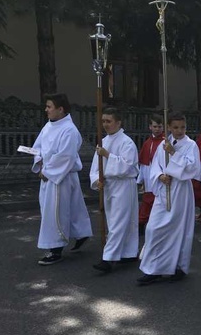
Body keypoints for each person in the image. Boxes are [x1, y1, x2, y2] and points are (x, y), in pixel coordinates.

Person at [137, 112, 201, 285]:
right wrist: (159, 176)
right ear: (169, 128)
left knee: (178, 229)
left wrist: (174, 154)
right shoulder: (163, 145)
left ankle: (177, 266)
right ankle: (153, 268)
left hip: (180, 191)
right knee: (153, 228)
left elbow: (193, 169)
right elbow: (155, 165)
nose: (179, 131)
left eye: (182, 127)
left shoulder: (191, 145)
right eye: (175, 127)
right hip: (164, 190)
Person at [31, 93, 93, 265]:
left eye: (49, 107)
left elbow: (65, 156)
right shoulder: (49, 126)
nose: (46, 110)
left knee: (55, 213)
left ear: (60, 109)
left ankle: (55, 249)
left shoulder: (69, 130)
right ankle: (81, 233)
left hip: (61, 177)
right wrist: (39, 161)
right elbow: (38, 147)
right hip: (51, 174)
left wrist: (47, 171)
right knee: (71, 209)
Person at [89, 107, 139, 273]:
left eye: (108, 121)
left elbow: (126, 166)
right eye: (103, 121)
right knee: (117, 220)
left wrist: (108, 155)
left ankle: (108, 258)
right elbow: (95, 167)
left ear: (118, 122)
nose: (105, 124)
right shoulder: (103, 141)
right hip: (109, 185)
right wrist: (97, 180)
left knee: (118, 221)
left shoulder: (127, 142)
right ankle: (129, 252)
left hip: (123, 184)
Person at [138, 114, 165, 235]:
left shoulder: (166, 142)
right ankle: (141, 222)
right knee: (147, 199)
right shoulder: (147, 142)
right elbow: (144, 163)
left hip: (161, 174)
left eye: (159, 126)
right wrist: (142, 179)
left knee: (159, 199)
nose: (157, 129)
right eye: (155, 126)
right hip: (149, 174)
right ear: (150, 127)